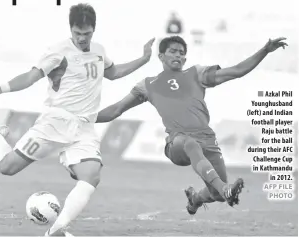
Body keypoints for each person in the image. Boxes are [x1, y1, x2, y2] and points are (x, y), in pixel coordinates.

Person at [0, 3, 154, 237]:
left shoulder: (99, 51)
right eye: (77, 33)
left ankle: (56, 231)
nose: (82, 38)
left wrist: (143, 59)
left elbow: (114, 73)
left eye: (87, 33)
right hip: (54, 124)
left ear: (94, 30)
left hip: (84, 128)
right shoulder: (57, 52)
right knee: (6, 168)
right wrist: (2, 87)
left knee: (91, 176)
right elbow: (31, 77)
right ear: (71, 29)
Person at [96, 35, 288, 215]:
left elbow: (237, 71)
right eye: (173, 51)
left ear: (185, 59)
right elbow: (116, 110)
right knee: (191, 146)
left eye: (181, 52)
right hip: (177, 145)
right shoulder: (148, 85)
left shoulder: (197, 74)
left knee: (217, 196)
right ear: (161, 56)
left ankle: (195, 199)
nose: (178, 55)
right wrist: (84, 117)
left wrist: (264, 50)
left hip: (207, 140)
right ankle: (225, 188)